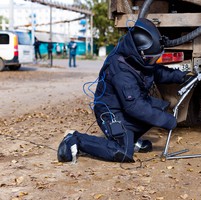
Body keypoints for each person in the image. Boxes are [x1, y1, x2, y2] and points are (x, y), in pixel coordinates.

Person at [57, 18, 191, 163]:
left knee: (159, 108)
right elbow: (135, 107)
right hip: (111, 113)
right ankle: (75, 139)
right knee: (122, 152)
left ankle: (131, 139)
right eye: (152, 58)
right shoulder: (121, 70)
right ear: (142, 54)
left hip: (125, 106)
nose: (153, 61)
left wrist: (182, 77)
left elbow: (155, 71)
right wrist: (166, 121)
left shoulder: (137, 58)